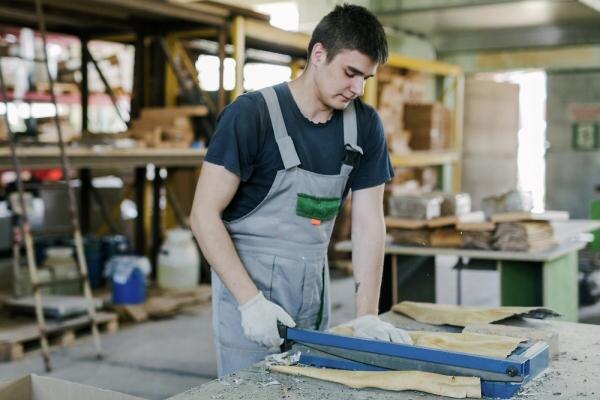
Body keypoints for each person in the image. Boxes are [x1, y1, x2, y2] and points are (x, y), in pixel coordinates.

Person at [190, 3, 413, 377]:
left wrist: (367, 315)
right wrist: (250, 303)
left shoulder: (364, 126)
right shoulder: (251, 115)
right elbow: (202, 215)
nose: (358, 88)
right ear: (319, 54)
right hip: (248, 299)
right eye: (350, 73)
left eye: (366, 78)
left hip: (313, 295)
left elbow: (368, 223)